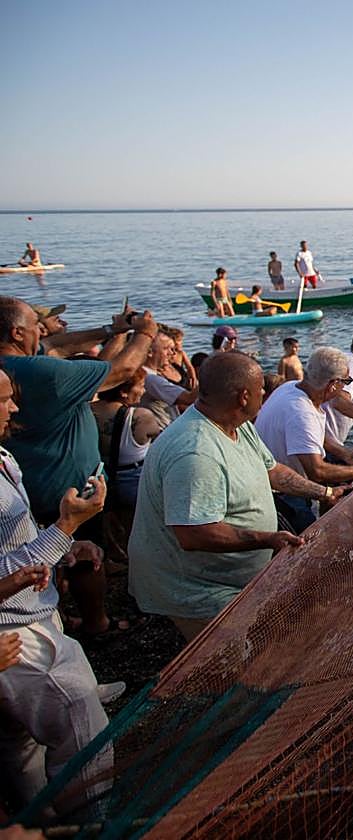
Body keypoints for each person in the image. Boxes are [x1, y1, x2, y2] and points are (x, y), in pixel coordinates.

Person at [128, 353, 338, 642]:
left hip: (229, 578)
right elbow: (194, 534)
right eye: (261, 388)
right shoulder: (196, 452)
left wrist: (324, 492)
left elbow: (273, 471)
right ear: (243, 396)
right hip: (195, 588)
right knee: (235, 663)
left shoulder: (237, 425)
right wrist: (267, 538)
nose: (265, 393)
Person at [0, 297, 157, 636]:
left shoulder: (15, 363)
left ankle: (53, 615)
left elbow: (55, 344)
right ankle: (95, 623)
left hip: (27, 479)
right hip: (64, 486)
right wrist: (143, 334)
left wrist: (111, 330)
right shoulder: (41, 373)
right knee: (86, 557)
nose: (41, 333)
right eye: (34, 327)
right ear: (15, 333)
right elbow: (121, 372)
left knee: (40, 551)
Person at [0, 364, 114, 819]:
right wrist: (68, 525)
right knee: (83, 731)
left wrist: (60, 542)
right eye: (5, 398)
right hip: (17, 634)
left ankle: (37, 819)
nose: (14, 407)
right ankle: (92, 824)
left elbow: (11, 537)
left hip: (31, 618)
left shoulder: (4, 457)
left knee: (18, 742)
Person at [255, 348, 353, 531]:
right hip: (279, 492)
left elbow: (310, 436)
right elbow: (317, 471)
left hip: (287, 481)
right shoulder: (302, 412)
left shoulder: (290, 387)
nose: (346, 387)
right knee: (307, 542)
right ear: (333, 385)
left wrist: (344, 454)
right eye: (346, 382)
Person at [91, 369, 165, 509]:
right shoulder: (141, 416)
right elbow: (163, 440)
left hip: (100, 480)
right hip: (133, 481)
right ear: (123, 391)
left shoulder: (87, 410)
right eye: (141, 386)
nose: (143, 391)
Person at [141, 331, 198, 425]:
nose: (171, 353)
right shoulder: (151, 379)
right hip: (163, 431)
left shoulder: (150, 374)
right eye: (166, 348)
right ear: (150, 352)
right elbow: (190, 398)